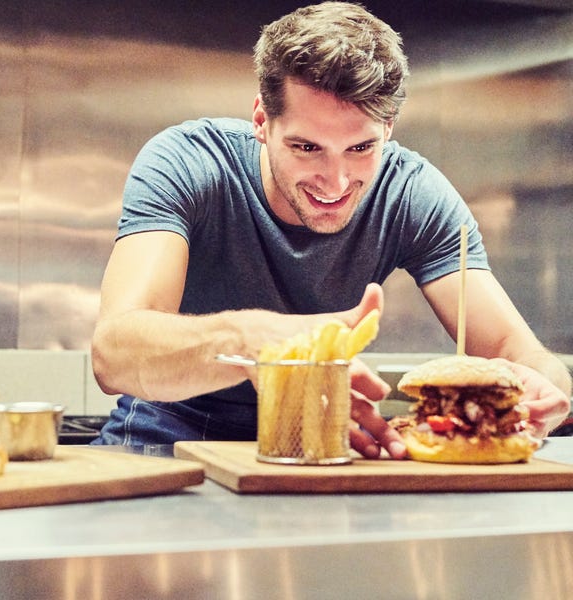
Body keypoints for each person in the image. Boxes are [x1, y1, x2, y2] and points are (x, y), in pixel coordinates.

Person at [89, 2, 571, 454]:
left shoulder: (413, 193)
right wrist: (252, 339)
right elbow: (114, 353)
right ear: (262, 120)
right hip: (166, 432)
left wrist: (545, 391)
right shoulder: (188, 163)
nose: (336, 182)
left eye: (360, 149)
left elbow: (517, 352)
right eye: (306, 148)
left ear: (388, 128)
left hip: (323, 434)